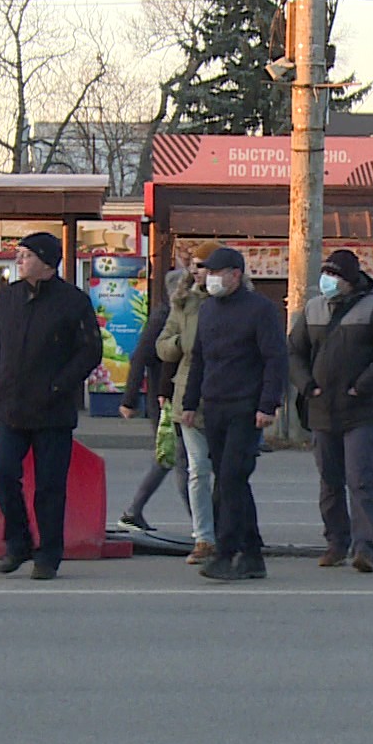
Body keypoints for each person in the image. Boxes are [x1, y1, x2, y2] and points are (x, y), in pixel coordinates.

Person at [0, 232, 103, 582]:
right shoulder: (9, 297)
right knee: (3, 475)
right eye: (18, 254)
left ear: (47, 261)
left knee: (50, 487)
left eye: (26, 255)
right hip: (11, 407)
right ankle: (17, 542)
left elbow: (89, 351)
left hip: (52, 410)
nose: (19, 260)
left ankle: (48, 555)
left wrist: (59, 385)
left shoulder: (73, 301)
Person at [288, 248, 373, 573]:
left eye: (334, 275)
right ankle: (335, 543)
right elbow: (294, 352)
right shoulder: (313, 309)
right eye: (326, 274)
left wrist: (363, 384)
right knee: (329, 481)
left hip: (361, 411)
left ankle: (364, 547)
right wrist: (306, 384)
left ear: (350, 280)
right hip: (322, 409)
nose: (327, 281)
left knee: (360, 479)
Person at [180, 245, 286, 583]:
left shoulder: (260, 311)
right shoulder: (209, 310)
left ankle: (227, 553)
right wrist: (188, 401)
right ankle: (252, 553)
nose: (209, 278)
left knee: (230, 479)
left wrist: (268, 405)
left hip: (246, 407)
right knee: (231, 481)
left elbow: (275, 359)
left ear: (235, 275)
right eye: (206, 271)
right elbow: (199, 358)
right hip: (214, 405)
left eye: (215, 272)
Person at [157, 241, 221, 565]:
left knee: (227, 471)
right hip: (188, 396)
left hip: (226, 396)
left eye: (203, 265)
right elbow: (162, 345)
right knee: (198, 469)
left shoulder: (235, 303)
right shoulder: (183, 302)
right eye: (194, 265)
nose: (196, 271)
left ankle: (229, 531)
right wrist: (182, 342)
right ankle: (204, 538)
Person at [116, 276, 189, 531]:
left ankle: (134, 510)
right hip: (165, 400)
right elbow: (140, 357)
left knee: (169, 458)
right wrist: (129, 399)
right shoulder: (164, 318)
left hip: (177, 397)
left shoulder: (181, 316)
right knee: (180, 459)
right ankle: (203, 525)